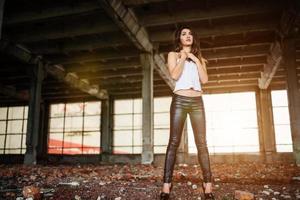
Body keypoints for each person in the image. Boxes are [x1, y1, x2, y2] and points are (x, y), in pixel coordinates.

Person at [160, 26, 214, 200]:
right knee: (174, 142)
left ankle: (207, 184)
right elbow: (174, 76)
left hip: (197, 102)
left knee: (202, 143)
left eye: (190, 33)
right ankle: (166, 185)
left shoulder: (200, 58)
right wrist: (183, 58)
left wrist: (195, 59)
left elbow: (204, 80)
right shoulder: (173, 55)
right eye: (184, 34)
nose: (188, 36)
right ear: (179, 39)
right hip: (180, 101)